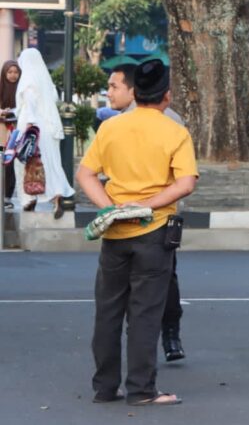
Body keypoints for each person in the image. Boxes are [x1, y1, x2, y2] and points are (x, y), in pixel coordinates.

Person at [76, 59, 198, 405]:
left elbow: (85, 174)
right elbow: (186, 183)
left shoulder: (110, 128)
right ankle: (142, 389)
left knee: (108, 310)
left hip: (115, 234)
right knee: (145, 312)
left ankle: (105, 387)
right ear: (166, 96)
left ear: (135, 92)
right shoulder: (175, 132)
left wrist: (110, 208)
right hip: (154, 231)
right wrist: (148, 205)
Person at [105, 63, 190, 362]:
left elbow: (183, 179)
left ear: (134, 90)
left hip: (157, 219)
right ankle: (142, 353)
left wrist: (145, 203)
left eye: (114, 86)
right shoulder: (115, 125)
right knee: (131, 289)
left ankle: (169, 333)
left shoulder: (170, 121)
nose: (109, 93)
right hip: (124, 218)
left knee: (163, 281)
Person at [14, 48, 75, 215]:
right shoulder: (46, 80)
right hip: (49, 127)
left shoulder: (27, 78)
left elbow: (30, 102)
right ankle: (57, 197)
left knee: (26, 162)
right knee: (52, 164)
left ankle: (29, 199)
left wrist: (30, 125)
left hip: (32, 126)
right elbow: (53, 99)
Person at [1, 59, 20, 202]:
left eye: (16, 72)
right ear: (4, 73)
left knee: (10, 163)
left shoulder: (21, 89)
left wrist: (14, 111)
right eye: (10, 72)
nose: (13, 75)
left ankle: (7, 196)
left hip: (15, 131)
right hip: (1, 130)